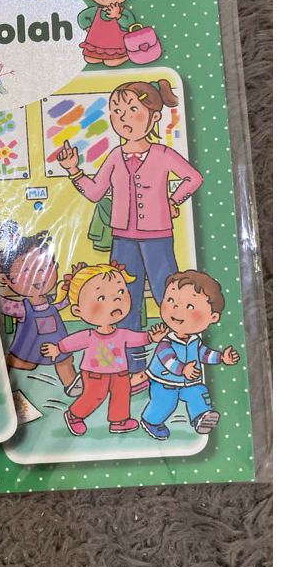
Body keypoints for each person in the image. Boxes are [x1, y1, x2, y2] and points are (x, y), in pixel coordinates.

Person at [57, 79, 202, 391]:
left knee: (168, 295)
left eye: (131, 109)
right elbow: (95, 193)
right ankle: (134, 369)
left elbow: (193, 178)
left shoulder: (163, 154)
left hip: (158, 237)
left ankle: (183, 360)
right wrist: (73, 170)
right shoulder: (114, 156)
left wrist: (174, 200)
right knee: (124, 299)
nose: (122, 117)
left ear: (154, 116)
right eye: (116, 111)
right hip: (122, 239)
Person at [41, 262, 166, 436]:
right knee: (95, 395)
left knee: (122, 393)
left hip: (120, 371)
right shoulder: (89, 335)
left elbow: (136, 338)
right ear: (77, 310)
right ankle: (74, 415)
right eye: (101, 298)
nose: (116, 300)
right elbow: (73, 341)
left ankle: (119, 421)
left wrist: (151, 337)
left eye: (120, 292)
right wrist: (58, 349)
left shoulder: (121, 333)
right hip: (94, 373)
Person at [141, 270, 240, 440]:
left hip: (188, 382)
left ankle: (201, 417)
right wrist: (182, 369)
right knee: (166, 403)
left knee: (199, 392)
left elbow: (204, 354)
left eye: (189, 306)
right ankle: (151, 421)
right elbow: (168, 360)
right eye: (170, 300)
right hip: (163, 381)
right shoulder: (166, 342)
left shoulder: (195, 341)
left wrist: (221, 357)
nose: (176, 309)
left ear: (212, 317)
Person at [0, 220, 78, 393]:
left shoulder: (52, 302)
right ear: (5, 279)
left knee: (64, 360)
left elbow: (63, 302)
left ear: (55, 267)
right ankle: (4, 363)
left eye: (45, 266)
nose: (39, 274)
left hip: (58, 344)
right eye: (26, 270)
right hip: (30, 348)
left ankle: (72, 383)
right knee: (27, 363)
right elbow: (1, 305)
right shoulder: (22, 308)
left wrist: (72, 286)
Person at [77, 0, 150, 66]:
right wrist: (88, 27)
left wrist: (118, 16)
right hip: (96, 43)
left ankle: (124, 56)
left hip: (116, 45)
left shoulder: (122, 11)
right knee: (89, 58)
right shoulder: (95, 11)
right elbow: (83, 17)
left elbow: (129, 24)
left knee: (112, 62)